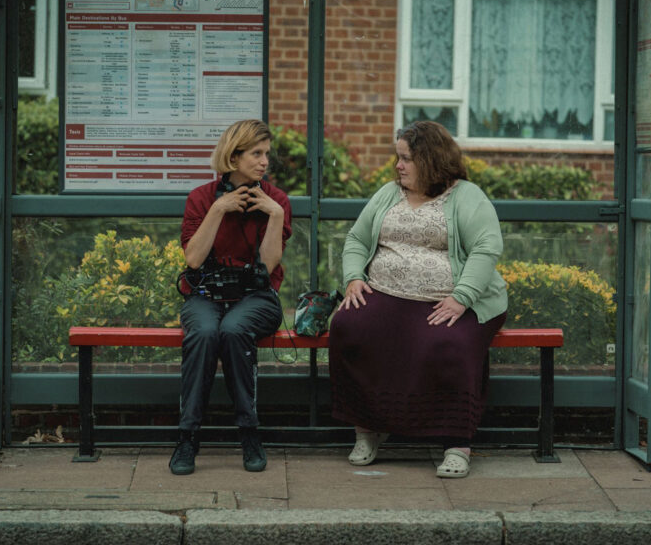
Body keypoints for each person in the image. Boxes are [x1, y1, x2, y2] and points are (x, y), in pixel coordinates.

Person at [329, 120, 508, 478]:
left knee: (447, 343)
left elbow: (486, 248)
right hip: (387, 293)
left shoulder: (467, 196)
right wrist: (353, 278)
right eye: (398, 158)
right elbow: (357, 240)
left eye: (406, 159)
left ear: (431, 160)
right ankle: (368, 428)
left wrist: (462, 297)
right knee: (349, 327)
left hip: (454, 298)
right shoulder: (387, 193)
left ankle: (457, 443)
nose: (398, 166)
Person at [170, 119, 292, 475]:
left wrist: (275, 214)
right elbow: (192, 259)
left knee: (235, 330)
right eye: (256, 153)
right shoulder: (201, 199)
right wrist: (218, 209)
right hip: (206, 294)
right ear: (234, 156)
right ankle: (187, 438)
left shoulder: (277, 201)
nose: (264, 161)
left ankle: (249, 433)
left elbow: (268, 265)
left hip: (256, 296)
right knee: (206, 332)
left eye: (266, 154)